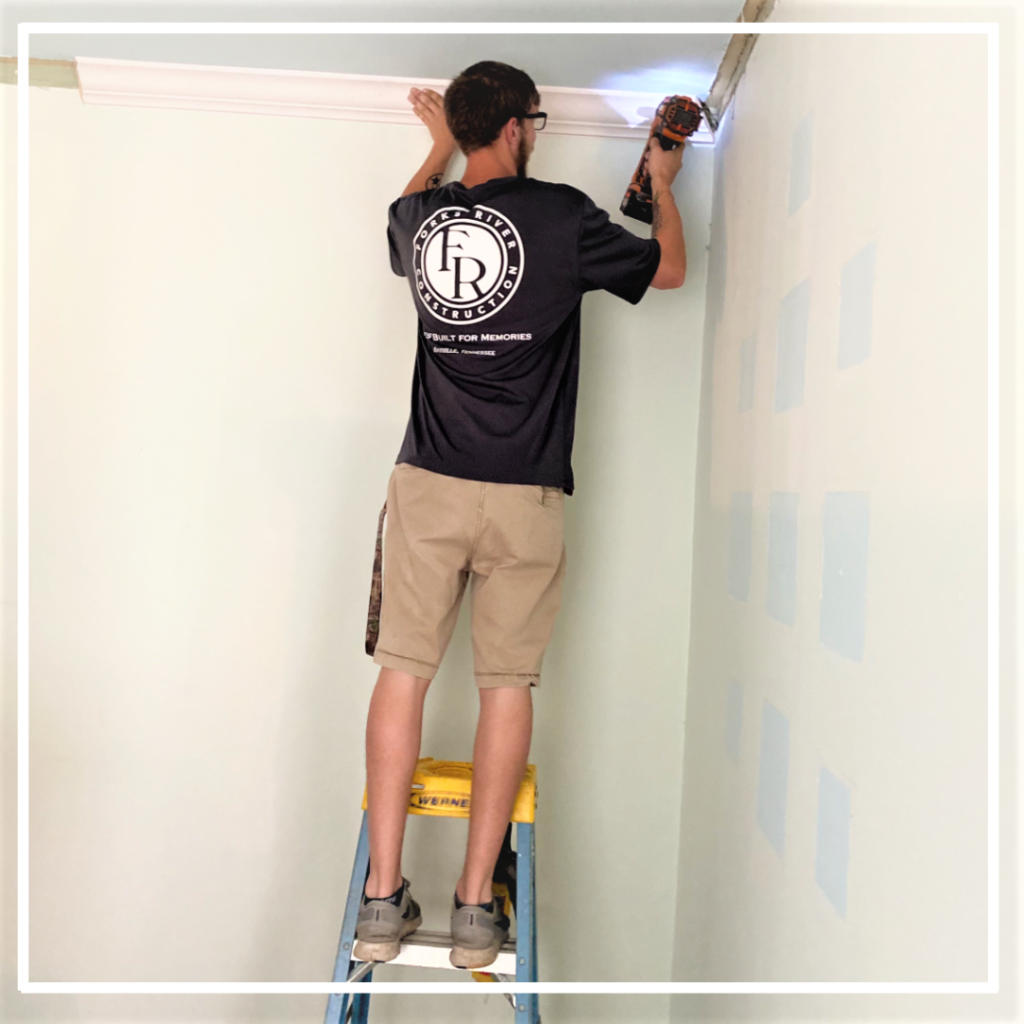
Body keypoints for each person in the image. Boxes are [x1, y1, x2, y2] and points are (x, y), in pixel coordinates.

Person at [354, 60, 686, 970]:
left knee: (402, 675)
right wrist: (658, 184)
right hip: (527, 492)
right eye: (533, 121)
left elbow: (401, 212)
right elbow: (670, 273)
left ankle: (380, 902)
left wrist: (434, 150)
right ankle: (471, 911)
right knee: (506, 687)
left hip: (427, 483)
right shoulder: (563, 214)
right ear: (516, 127)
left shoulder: (420, 222)